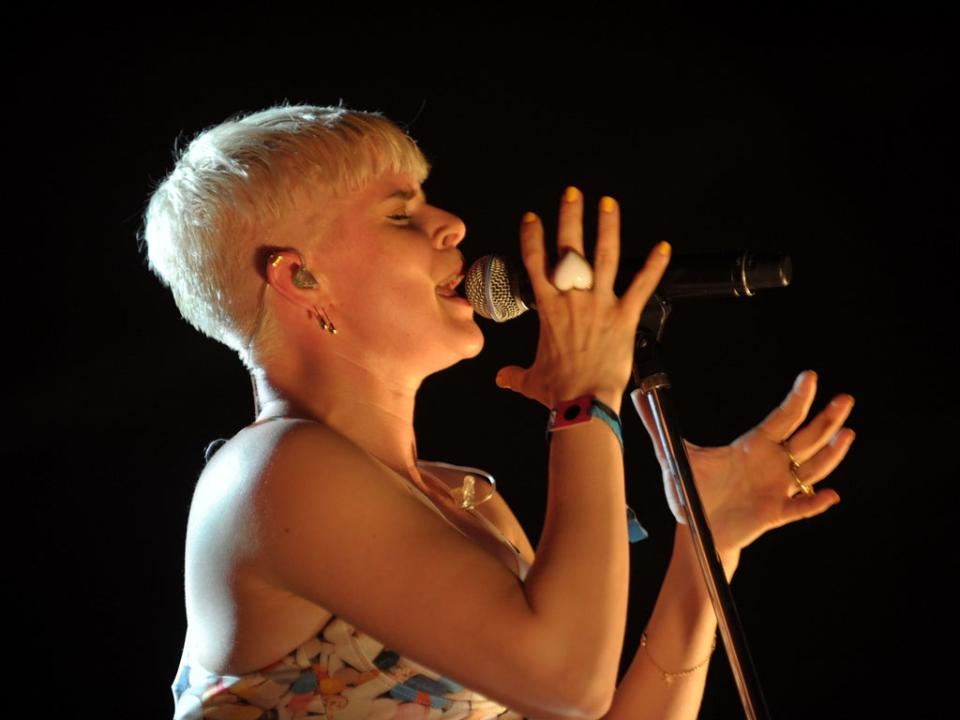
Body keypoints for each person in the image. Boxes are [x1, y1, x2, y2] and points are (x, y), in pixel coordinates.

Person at [141, 102, 855, 720]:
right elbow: (568, 681)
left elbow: (578, 704)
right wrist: (585, 400)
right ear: (301, 277)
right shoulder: (272, 472)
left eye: (428, 200)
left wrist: (709, 546)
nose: (451, 224)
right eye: (400, 214)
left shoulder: (469, 500)